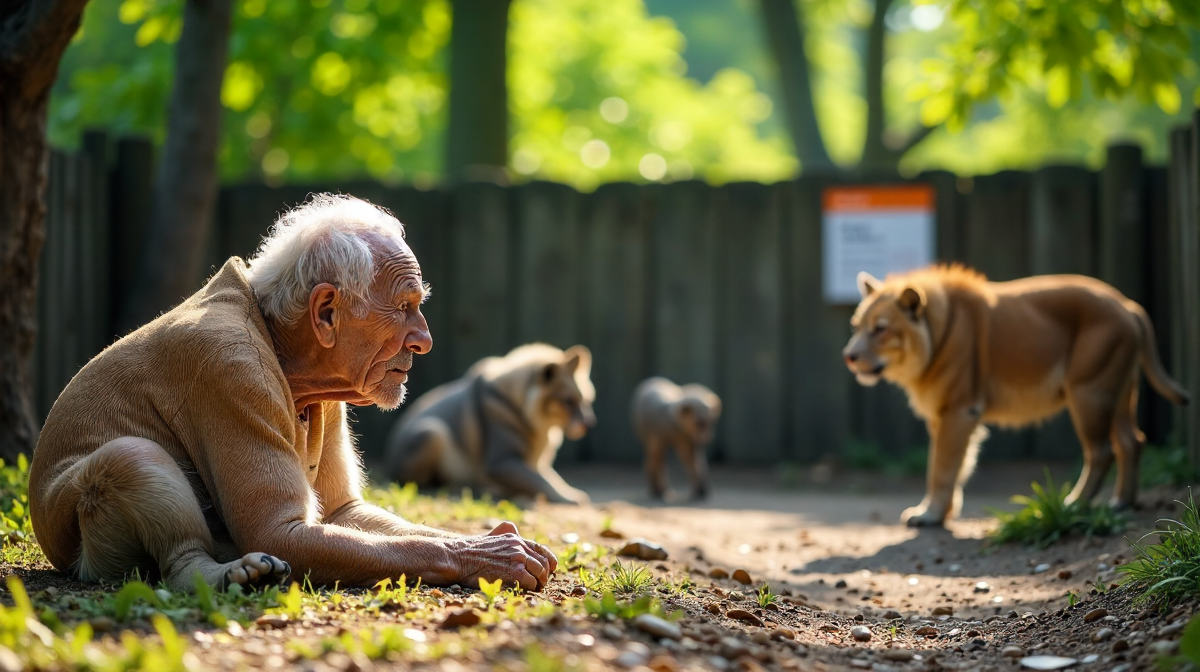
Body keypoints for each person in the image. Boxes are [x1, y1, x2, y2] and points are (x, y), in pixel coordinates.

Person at [29, 194, 557, 592]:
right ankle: (190, 565)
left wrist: (460, 545)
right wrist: (455, 560)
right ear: (326, 313)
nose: (423, 337)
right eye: (403, 307)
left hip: (201, 515)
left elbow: (343, 512)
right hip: (94, 518)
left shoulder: (315, 372)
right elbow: (280, 537)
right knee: (136, 459)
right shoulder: (232, 353)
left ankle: (210, 557)